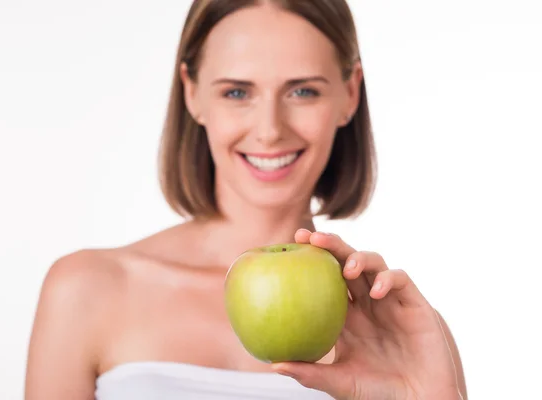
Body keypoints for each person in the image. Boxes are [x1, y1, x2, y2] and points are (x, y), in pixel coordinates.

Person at [24, 0, 468, 399]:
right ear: (191, 92)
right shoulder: (85, 290)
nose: (270, 129)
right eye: (237, 92)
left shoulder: (398, 329)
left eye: (303, 91)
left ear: (350, 93)